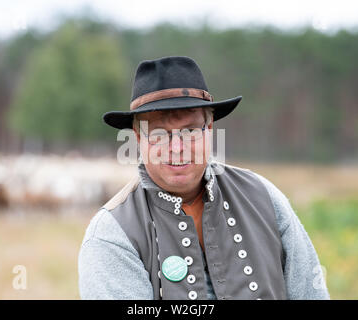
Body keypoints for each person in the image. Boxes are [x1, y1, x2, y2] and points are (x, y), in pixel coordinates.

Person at [78, 56, 330, 300]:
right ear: (138, 137)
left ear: (209, 129)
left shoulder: (263, 197)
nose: (176, 147)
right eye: (158, 133)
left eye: (189, 131)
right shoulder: (112, 234)